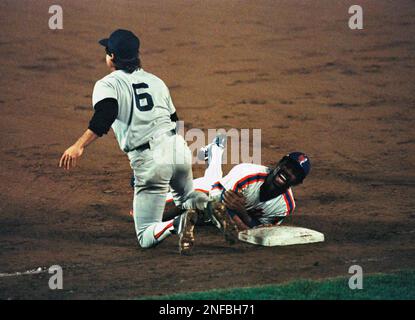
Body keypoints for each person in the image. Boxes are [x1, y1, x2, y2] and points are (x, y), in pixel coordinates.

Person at [58, 29, 208, 255]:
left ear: (112, 57)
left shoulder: (107, 84)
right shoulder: (156, 81)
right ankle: (213, 204)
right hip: (177, 148)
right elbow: (174, 121)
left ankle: (177, 224)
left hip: (150, 158)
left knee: (146, 235)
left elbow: (104, 117)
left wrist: (79, 145)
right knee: (187, 196)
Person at [132, 134, 312, 244]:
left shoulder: (285, 206)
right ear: (279, 163)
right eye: (287, 166)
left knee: (208, 208)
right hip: (206, 192)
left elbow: (260, 231)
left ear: (298, 182)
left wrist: (242, 213)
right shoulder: (248, 174)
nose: (287, 172)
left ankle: (215, 151)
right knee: (146, 214)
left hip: (218, 202)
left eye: (294, 172)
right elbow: (216, 200)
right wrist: (241, 220)